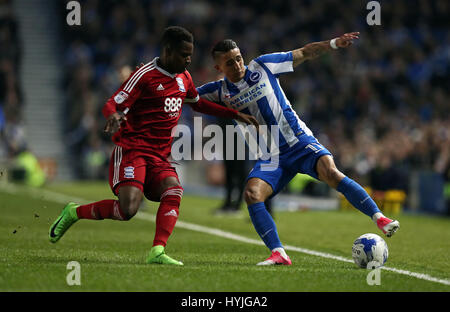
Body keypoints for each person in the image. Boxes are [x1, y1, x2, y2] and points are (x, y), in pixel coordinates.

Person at [48, 26, 258, 265]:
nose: (188, 60)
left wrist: (235, 114)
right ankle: (74, 212)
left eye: (190, 54)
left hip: (160, 156)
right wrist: (113, 115)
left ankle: (157, 251)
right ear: (168, 51)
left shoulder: (184, 78)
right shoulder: (145, 75)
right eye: (183, 54)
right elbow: (112, 102)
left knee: (174, 190)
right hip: (133, 150)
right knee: (127, 210)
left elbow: (198, 104)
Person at [197, 33, 400, 266]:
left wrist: (333, 43)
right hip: (271, 157)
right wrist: (149, 80)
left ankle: (380, 218)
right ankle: (278, 253)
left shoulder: (263, 65)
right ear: (218, 67)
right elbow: (183, 94)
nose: (237, 65)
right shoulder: (219, 91)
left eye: (239, 58)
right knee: (252, 194)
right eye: (230, 62)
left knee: (332, 173)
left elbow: (304, 52)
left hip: (299, 142)